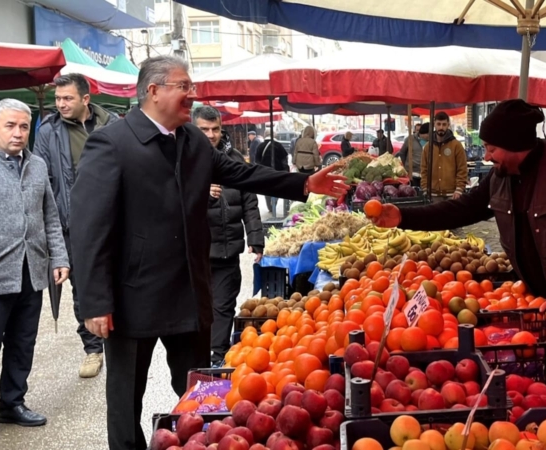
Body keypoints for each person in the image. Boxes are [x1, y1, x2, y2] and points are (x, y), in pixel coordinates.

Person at [69, 55, 348, 450]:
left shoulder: (192, 140)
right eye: (184, 86)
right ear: (154, 91)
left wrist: (304, 184)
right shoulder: (112, 143)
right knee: (125, 398)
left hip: (188, 291)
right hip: (133, 296)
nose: (192, 95)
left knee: (204, 396)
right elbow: (88, 227)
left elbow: (242, 173)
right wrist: (96, 301)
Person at [368, 100, 546, 341]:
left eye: (491, 148)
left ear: (514, 145)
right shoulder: (502, 175)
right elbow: (463, 209)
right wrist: (403, 216)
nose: (486, 156)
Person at [32, 73, 117, 379]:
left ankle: (118, 340)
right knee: (83, 288)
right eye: (57, 99)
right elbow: (42, 179)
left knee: (120, 281)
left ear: (85, 99)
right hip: (74, 225)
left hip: (115, 221)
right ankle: (93, 349)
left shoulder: (112, 123)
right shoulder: (49, 131)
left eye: (67, 98)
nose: (61, 104)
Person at [0, 99, 69, 427]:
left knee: (22, 341)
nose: (18, 133)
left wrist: (59, 257)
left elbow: (50, 217)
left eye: (24, 126)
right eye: (10, 126)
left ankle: (12, 402)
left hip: (32, 270)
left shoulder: (37, 165)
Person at [192, 106, 265, 366]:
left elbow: (250, 201)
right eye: (204, 129)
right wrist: (198, 192)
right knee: (198, 308)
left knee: (223, 305)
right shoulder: (182, 159)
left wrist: (256, 238)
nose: (211, 135)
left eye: (215, 129)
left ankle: (217, 357)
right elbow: (167, 201)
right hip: (194, 252)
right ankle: (197, 357)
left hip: (227, 249)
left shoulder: (234, 159)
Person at [421, 112, 468, 202]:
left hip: (452, 195)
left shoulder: (456, 145)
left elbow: (462, 169)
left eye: (444, 124)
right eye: (438, 124)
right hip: (433, 195)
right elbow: (424, 169)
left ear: (448, 125)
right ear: (434, 124)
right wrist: (425, 188)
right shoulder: (428, 147)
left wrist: (459, 189)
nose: (441, 127)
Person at [254, 131, 290, 214]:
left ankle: (270, 207)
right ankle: (274, 203)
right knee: (277, 189)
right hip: (278, 172)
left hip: (264, 172)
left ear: (265, 135)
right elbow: (284, 160)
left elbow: (256, 161)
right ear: (274, 135)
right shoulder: (279, 146)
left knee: (266, 189)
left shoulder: (260, 146)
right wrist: (286, 171)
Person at [397, 123, 427, 188]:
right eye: (417, 130)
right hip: (412, 173)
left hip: (424, 174)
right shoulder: (410, 139)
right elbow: (402, 153)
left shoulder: (428, 140)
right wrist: (406, 165)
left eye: (420, 130)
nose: (419, 131)